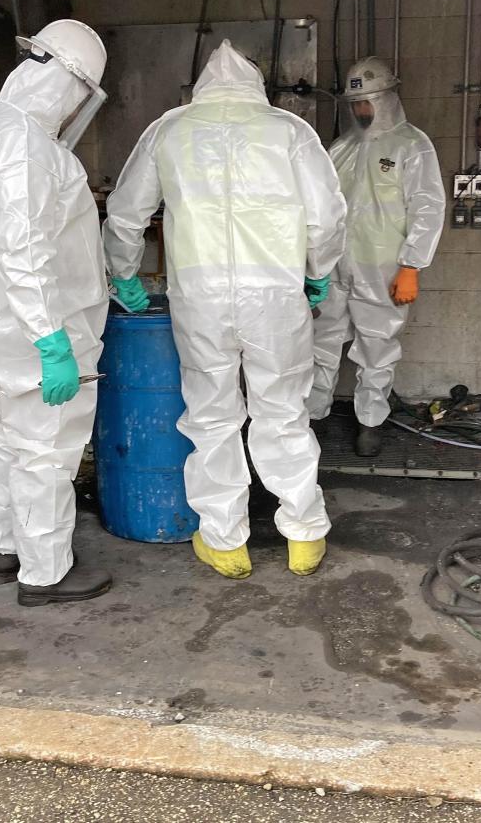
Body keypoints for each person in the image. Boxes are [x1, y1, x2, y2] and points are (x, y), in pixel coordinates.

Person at [103, 40, 347, 580]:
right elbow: (327, 218)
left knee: (211, 417)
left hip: (201, 298)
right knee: (283, 412)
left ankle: (224, 541)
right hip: (276, 297)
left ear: (202, 87)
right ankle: (304, 535)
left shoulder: (169, 129)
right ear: (256, 85)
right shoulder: (290, 130)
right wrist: (317, 271)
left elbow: (125, 213)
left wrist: (124, 274)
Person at [0, 20, 112, 607]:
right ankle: (46, 572)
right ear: (71, 82)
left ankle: (5, 545)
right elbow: (27, 249)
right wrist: (51, 339)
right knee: (48, 444)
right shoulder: (25, 145)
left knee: (12, 432)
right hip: (39, 324)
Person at [308, 56, 445, 457]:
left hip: (383, 268)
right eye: (355, 104)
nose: (361, 110)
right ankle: (313, 416)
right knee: (320, 343)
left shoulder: (412, 146)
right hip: (334, 267)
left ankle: (370, 422)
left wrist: (411, 266)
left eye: (368, 102)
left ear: (388, 98)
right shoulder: (341, 147)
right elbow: (321, 209)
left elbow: (427, 206)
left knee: (377, 346)